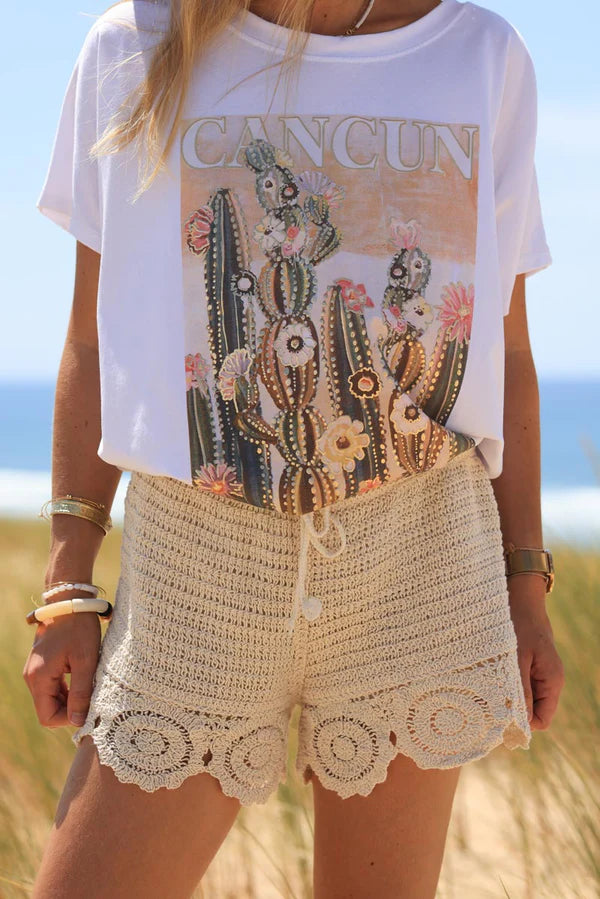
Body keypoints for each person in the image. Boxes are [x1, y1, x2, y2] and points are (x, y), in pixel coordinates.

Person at [24, 0, 565, 895]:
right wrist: (68, 577)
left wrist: (527, 585)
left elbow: (504, 350)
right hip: (197, 566)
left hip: (421, 556)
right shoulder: (137, 41)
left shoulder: (481, 54)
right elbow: (92, 335)